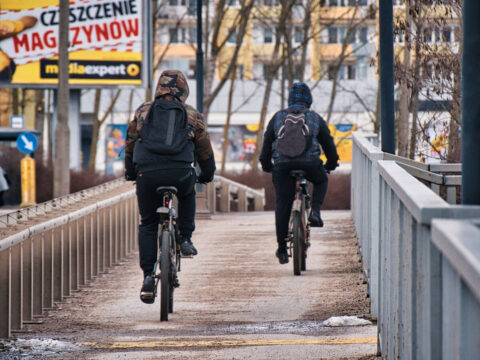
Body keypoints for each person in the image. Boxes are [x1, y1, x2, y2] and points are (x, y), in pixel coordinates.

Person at [124, 70, 216, 303]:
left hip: (148, 172)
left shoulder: (144, 111)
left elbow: (131, 142)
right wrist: (207, 173)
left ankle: (147, 277)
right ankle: (185, 238)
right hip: (180, 171)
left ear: (159, 88)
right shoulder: (192, 113)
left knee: (147, 223)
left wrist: (131, 170)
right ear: (184, 90)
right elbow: (204, 147)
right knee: (187, 194)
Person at [260, 82, 339, 265]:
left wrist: (267, 165)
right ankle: (316, 212)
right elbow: (328, 144)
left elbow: (267, 142)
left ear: (289, 99)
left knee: (282, 203)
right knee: (321, 180)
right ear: (308, 100)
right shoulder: (314, 117)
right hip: (310, 163)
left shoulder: (278, 117)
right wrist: (332, 163)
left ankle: (281, 249)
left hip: (282, 166)